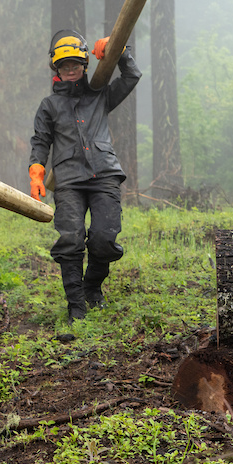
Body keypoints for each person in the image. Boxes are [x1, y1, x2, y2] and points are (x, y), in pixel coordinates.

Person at [28, 29, 141, 323]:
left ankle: (92, 287)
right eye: (65, 66)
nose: (71, 70)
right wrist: (37, 172)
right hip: (67, 181)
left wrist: (120, 53)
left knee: (104, 238)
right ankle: (75, 303)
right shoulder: (49, 106)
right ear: (57, 69)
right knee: (71, 239)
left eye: (76, 65)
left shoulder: (101, 94)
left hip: (104, 174)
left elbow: (131, 77)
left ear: (84, 65)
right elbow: (40, 141)